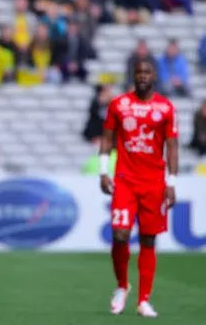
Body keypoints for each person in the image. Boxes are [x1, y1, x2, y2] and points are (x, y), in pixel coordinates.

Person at [99, 59, 178, 318]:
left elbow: (172, 146)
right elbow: (107, 138)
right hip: (125, 179)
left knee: (148, 238)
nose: (143, 76)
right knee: (120, 234)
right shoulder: (119, 104)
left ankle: (144, 300)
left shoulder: (165, 107)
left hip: (154, 183)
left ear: (154, 75)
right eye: (139, 72)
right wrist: (103, 171)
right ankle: (122, 286)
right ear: (134, 76)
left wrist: (172, 183)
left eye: (147, 72)